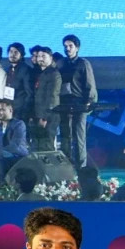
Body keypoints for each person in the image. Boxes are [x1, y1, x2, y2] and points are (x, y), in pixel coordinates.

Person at [57, 35, 96, 168]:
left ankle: (81, 167)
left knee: (78, 136)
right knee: (65, 135)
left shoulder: (83, 63)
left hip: (80, 103)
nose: (67, 49)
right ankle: (66, 166)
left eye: (70, 46)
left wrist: (88, 102)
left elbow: (90, 84)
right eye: (65, 46)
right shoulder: (61, 63)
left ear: (77, 48)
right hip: (64, 103)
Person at [0, 99, 28, 182]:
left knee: (1, 155)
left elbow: (15, 146)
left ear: (10, 110)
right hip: (0, 159)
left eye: (1, 110)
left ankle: (4, 185)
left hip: (18, 157)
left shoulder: (19, 124)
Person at [31, 47, 61, 153]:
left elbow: (52, 97)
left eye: (43, 56)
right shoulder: (41, 73)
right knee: (38, 145)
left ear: (51, 58)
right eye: (39, 56)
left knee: (47, 144)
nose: (40, 59)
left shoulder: (54, 74)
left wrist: (44, 117)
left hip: (49, 116)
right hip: (38, 114)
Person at [3, 44, 35, 125]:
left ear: (22, 55)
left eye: (16, 52)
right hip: (8, 109)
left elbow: (30, 93)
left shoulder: (26, 70)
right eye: (10, 52)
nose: (12, 54)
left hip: (20, 111)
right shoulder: (7, 69)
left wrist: (25, 111)